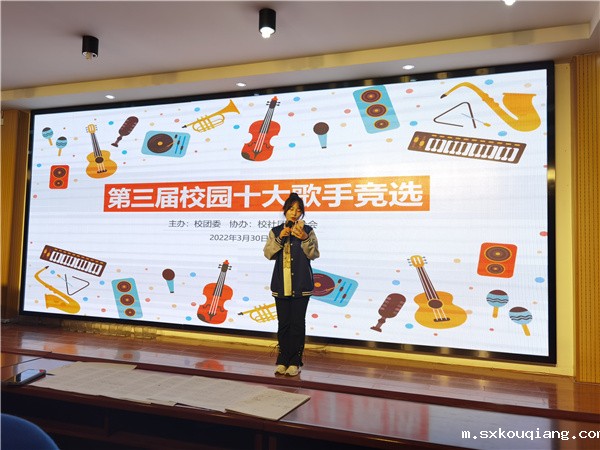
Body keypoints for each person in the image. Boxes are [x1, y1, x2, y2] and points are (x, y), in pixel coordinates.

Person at [263, 193, 320, 376]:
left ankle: (295, 361)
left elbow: (314, 254)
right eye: (291, 209)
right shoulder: (276, 231)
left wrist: (304, 238)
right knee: (284, 324)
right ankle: (282, 360)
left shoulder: (308, 231)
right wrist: (280, 237)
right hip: (281, 284)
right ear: (285, 211)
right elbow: (268, 254)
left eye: (298, 210)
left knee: (297, 324)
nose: (294, 213)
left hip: (301, 284)